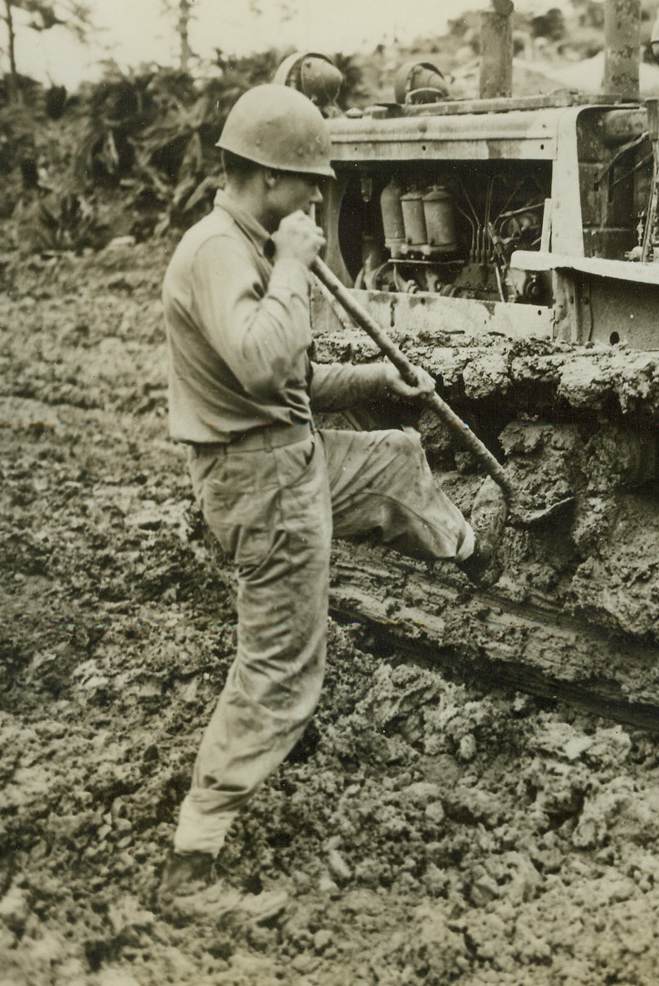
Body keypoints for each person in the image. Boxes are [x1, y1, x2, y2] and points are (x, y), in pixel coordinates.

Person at [156, 84, 498, 906]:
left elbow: (296, 378)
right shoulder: (220, 252)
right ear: (270, 177)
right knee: (279, 671)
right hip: (259, 484)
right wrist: (296, 266)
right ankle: (193, 864)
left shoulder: (247, 242)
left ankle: (480, 555)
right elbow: (260, 363)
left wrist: (381, 376)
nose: (318, 197)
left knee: (397, 459)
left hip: (289, 455)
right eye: (310, 183)